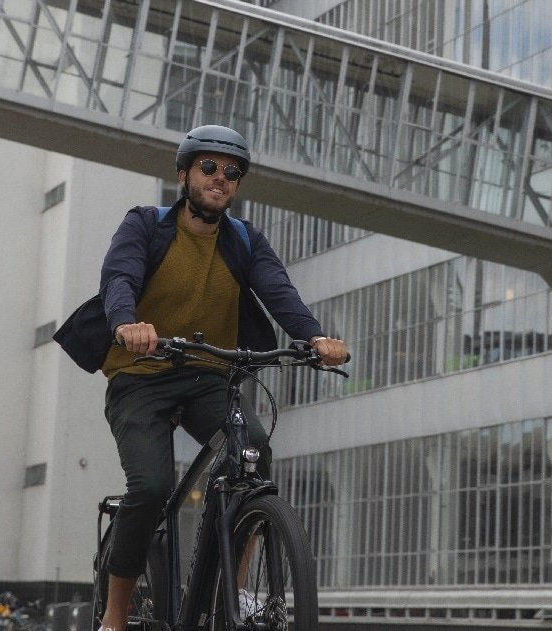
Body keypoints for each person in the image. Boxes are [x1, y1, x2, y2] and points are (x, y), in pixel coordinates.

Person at [96, 124, 348, 631]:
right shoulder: (146, 225)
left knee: (253, 453)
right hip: (140, 375)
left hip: (207, 378)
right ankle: (115, 614)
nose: (220, 178)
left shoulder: (244, 240)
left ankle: (230, 593)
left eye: (232, 172)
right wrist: (126, 324)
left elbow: (280, 293)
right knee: (152, 487)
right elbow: (119, 278)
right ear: (183, 174)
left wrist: (316, 337)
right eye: (208, 167)